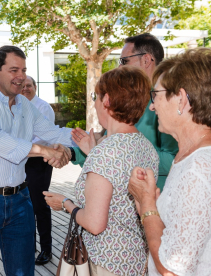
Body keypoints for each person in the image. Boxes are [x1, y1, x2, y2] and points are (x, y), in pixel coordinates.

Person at [0, 45, 75, 276]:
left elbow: (54, 133)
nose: (20, 76)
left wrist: (96, 137)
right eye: (13, 70)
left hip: (20, 200)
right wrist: (46, 151)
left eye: (23, 70)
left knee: (22, 271)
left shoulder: (25, 106)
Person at [45, 66, 159, 276]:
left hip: (106, 263)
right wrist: (93, 154)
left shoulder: (105, 152)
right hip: (136, 260)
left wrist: (65, 203)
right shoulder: (146, 147)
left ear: (106, 100)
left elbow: (95, 224)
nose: (95, 103)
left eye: (95, 97)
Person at [128, 48, 211, 276]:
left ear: (181, 99)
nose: (152, 106)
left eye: (155, 95)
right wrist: (153, 207)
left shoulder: (197, 168)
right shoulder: (188, 156)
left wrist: (146, 205)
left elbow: (172, 270)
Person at [71, 33, 178, 191]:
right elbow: (106, 140)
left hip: (156, 199)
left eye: (124, 61)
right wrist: (70, 154)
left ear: (146, 60)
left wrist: (120, 152)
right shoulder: (127, 96)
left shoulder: (167, 99)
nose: (120, 67)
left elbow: (173, 160)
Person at [21, 76, 55, 265]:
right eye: (22, 86)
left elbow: (44, 137)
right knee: (25, 205)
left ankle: (46, 249)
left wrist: (19, 146)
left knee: (39, 205)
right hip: (21, 161)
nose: (25, 88)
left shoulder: (43, 107)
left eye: (29, 86)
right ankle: (30, 245)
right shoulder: (17, 107)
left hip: (38, 161)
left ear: (35, 87)